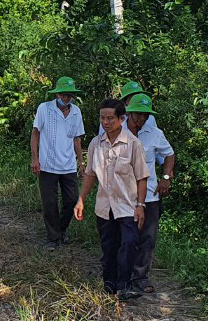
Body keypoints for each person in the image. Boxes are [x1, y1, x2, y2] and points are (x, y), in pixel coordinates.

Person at [74, 98, 150, 300]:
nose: (105, 122)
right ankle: (109, 287)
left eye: (110, 118)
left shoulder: (133, 144)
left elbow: (142, 177)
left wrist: (141, 205)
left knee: (128, 243)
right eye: (102, 118)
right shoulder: (96, 144)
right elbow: (90, 174)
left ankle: (124, 285)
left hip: (127, 206)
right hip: (104, 207)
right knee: (109, 248)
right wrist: (81, 199)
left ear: (121, 119)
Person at [125, 94, 175, 295]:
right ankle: (121, 275)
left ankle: (141, 275)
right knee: (125, 237)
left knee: (147, 237)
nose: (142, 119)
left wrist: (165, 177)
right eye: (138, 114)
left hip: (150, 195)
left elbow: (169, 154)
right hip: (123, 194)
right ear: (129, 112)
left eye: (145, 115)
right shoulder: (118, 132)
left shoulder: (154, 133)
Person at [31, 76, 86, 250]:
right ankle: (53, 237)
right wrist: (35, 158)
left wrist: (81, 162)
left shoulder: (76, 112)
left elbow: (77, 140)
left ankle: (61, 229)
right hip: (47, 164)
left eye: (69, 95)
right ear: (57, 94)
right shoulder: (44, 108)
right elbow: (35, 133)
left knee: (71, 200)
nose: (65, 98)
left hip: (68, 165)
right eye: (63, 95)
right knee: (49, 202)